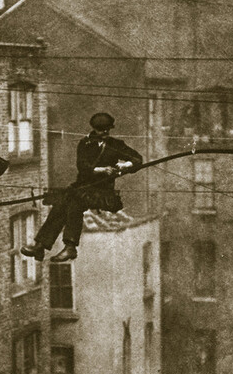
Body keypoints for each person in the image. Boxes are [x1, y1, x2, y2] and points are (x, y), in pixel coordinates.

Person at [21, 112, 143, 262]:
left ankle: (70, 247)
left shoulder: (116, 145)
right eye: (101, 130)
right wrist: (102, 170)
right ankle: (41, 246)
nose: (105, 132)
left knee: (75, 202)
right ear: (94, 129)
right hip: (82, 188)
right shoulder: (85, 144)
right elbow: (83, 167)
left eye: (107, 129)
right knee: (61, 203)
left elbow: (137, 159)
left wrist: (124, 165)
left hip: (102, 192)